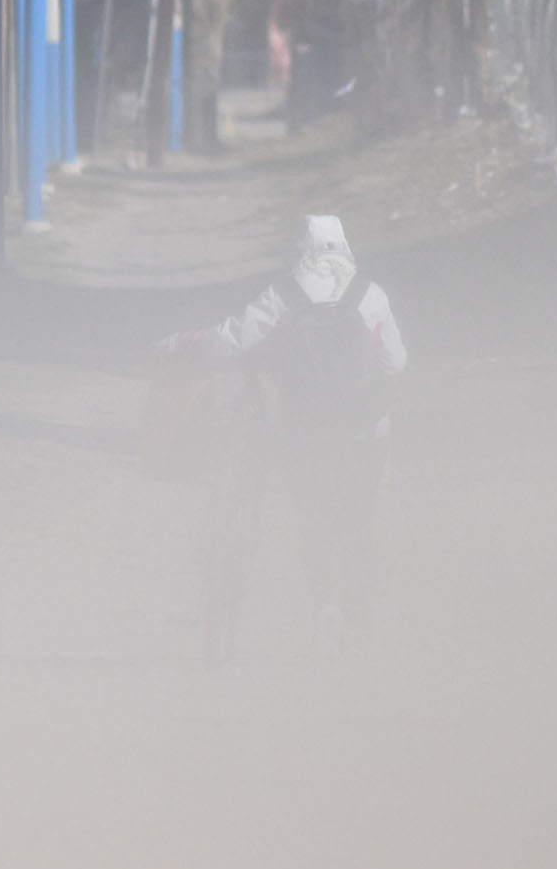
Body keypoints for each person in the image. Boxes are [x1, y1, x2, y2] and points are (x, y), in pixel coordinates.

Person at [174, 214, 407, 652]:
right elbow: (397, 363)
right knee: (358, 522)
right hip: (364, 430)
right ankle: (357, 621)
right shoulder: (372, 296)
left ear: (298, 251)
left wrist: (188, 346)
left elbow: (233, 341)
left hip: (305, 430)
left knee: (312, 518)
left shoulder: (283, 294)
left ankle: (323, 606)